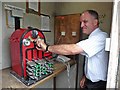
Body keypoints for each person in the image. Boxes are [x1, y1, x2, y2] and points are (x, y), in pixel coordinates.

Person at [36, 10, 109, 89]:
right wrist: (86, 76)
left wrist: (47, 47)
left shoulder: (101, 37)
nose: (81, 25)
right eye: (81, 22)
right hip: (89, 81)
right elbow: (92, 61)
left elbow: (73, 49)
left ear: (95, 22)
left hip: (98, 85)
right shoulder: (92, 38)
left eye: (85, 22)